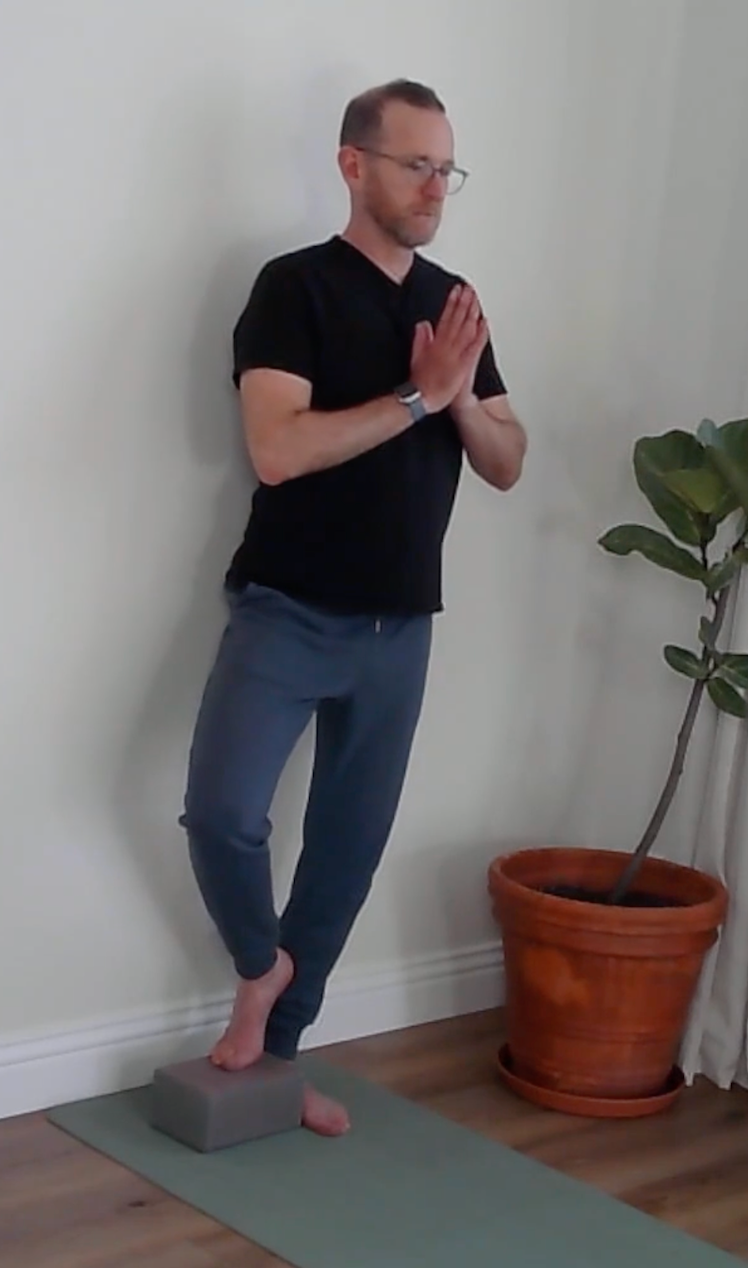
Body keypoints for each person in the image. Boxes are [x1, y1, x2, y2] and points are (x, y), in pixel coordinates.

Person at [180, 79, 528, 1135]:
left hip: (400, 631)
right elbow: (278, 450)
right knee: (226, 815)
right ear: (353, 166)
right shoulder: (293, 288)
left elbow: (509, 461)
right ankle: (262, 966)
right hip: (287, 610)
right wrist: (417, 397)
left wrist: (460, 389)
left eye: (446, 169)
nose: (435, 188)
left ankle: (279, 1058)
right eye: (416, 165)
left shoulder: (456, 303)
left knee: (344, 852)